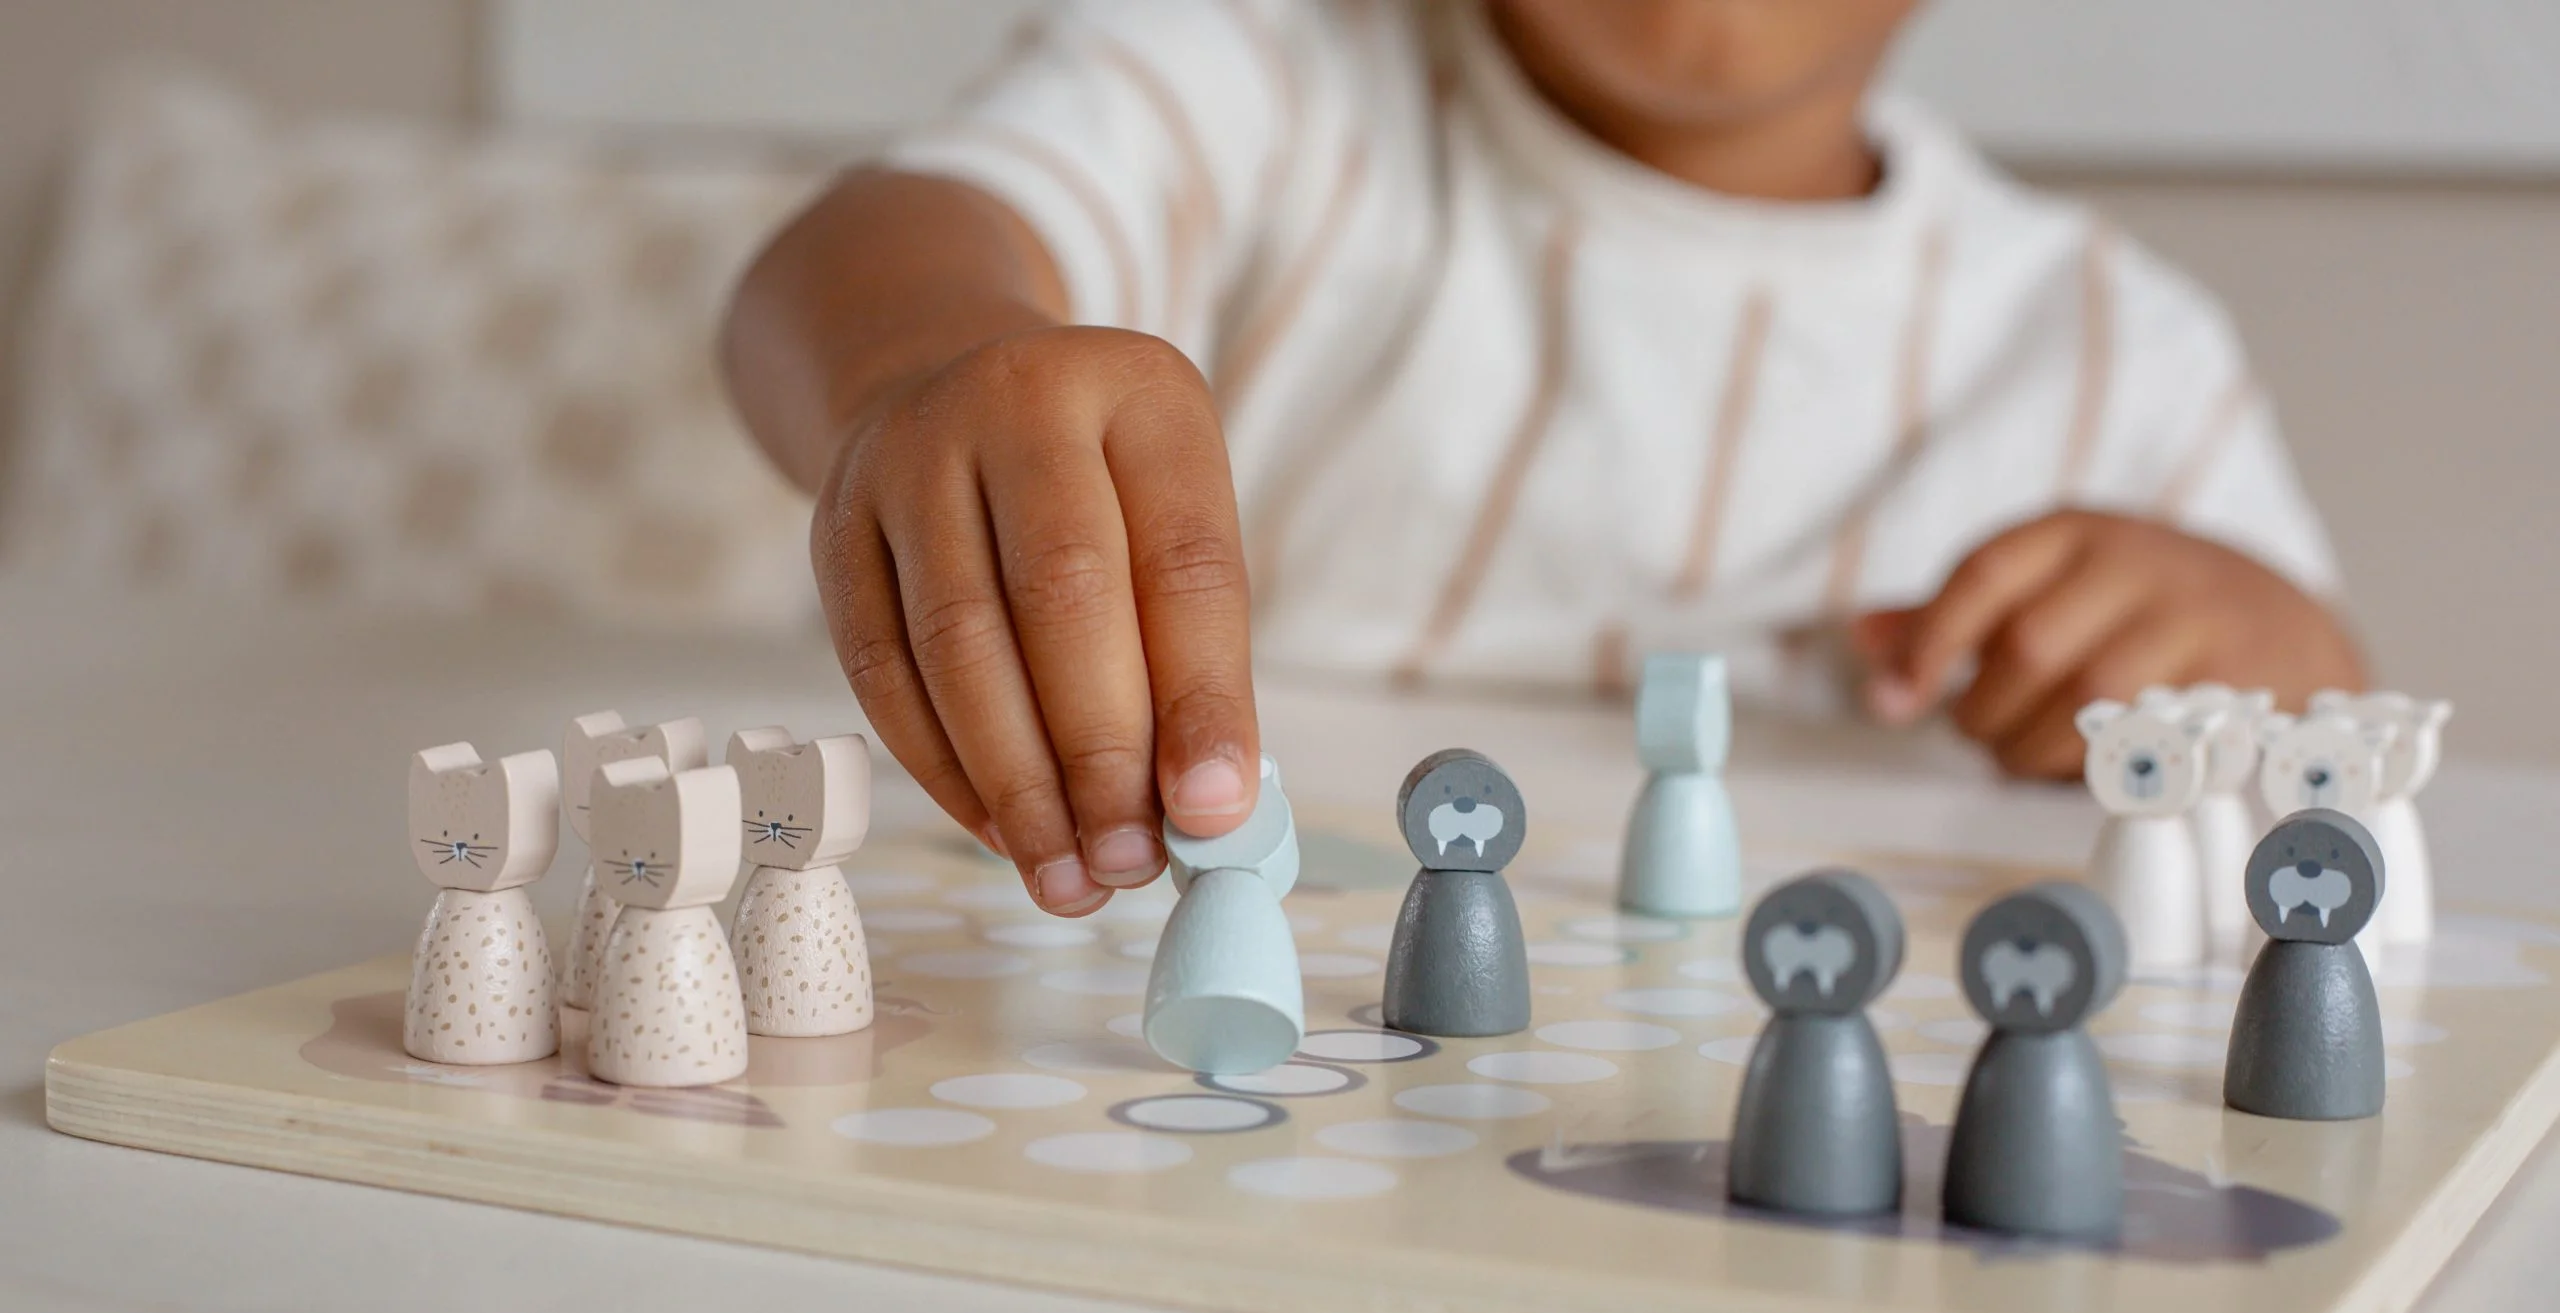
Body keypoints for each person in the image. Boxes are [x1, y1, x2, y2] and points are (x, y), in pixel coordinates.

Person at [722, 0, 2365, 918]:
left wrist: (2262, 655)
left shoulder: (2115, 350)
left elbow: (2328, 746)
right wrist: (916, 369)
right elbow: (864, 252)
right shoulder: (1254, 78)